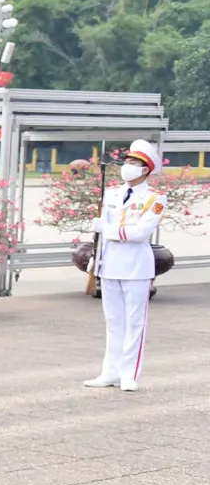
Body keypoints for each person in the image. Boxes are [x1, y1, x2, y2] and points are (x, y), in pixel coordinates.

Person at [87, 139, 166, 392]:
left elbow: (140, 232)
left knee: (134, 323)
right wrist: (95, 256)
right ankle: (109, 372)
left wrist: (107, 229)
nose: (127, 165)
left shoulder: (155, 198)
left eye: (134, 162)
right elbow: (102, 233)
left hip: (135, 267)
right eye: (127, 161)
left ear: (145, 169)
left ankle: (129, 374)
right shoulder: (111, 194)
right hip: (109, 264)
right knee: (114, 321)